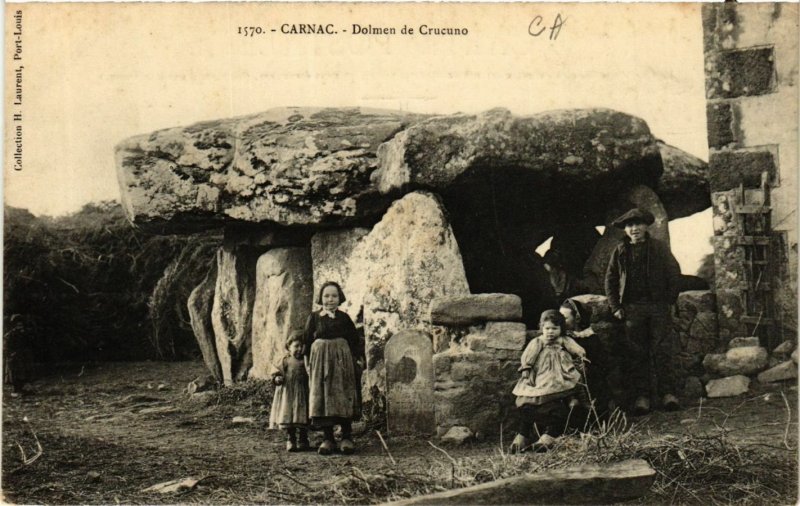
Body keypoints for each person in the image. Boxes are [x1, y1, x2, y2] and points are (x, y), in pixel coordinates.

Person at [605, 208, 682, 415]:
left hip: (658, 307)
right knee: (637, 353)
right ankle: (643, 397)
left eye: (638, 224)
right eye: (630, 225)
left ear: (646, 226)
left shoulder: (658, 248)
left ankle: (668, 394)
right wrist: (616, 307)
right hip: (632, 309)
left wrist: (669, 300)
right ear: (626, 229)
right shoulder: (620, 250)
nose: (634, 229)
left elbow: (674, 273)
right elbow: (610, 280)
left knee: (662, 350)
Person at [510, 310, 588, 453]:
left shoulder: (564, 340)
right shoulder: (538, 341)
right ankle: (524, 436)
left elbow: (575, 348)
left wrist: (581, 355)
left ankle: (551, 433)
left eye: (554, 328)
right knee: (533, 395)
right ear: (541, 328)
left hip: (561, 372)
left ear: (561, 329)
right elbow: (529, 355)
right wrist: (526, 368)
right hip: (542, 374)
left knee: (570, 387)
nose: (550, 332)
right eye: (547, 328)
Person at [303, 281, 363, 455]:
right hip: (320, 363)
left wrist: (358, 360)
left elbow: (354, 341)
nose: (330, 299)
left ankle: (346, 437)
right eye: (326, 296)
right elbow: (307, 342)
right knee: (323, 396)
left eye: (334, 296)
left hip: (342, 363)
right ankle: (327, 438)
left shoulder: (344, 318)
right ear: (321, 298)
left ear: (340, 298)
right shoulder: (314, 318)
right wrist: (307, 364)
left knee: (343, 395)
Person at [559, 298, 613, 419]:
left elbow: (603, 364)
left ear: (577, 318)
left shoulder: (591, 339)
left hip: (589, 380)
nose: (561, 321)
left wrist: (588, 368)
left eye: (565, 318)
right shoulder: (561, 338)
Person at [269, 333, 310, 452]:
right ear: (289, 347)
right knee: (289, 415)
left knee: (303, 415)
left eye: (301, 346)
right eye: (296, 346)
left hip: (302, 392)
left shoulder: (305, 360)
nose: (299, 349)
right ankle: (291, 439)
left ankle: (303, 439)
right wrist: (277, 378)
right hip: (288, 393)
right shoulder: (285, 360)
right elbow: (276, 372)